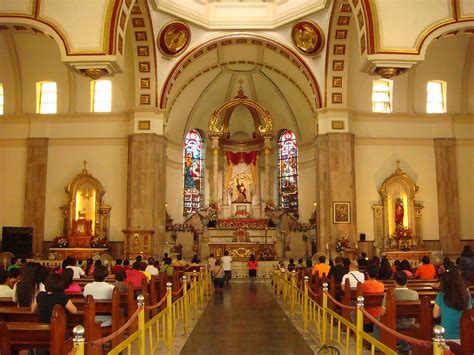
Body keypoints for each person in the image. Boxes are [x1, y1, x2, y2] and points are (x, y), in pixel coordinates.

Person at [381, 271, 419, 353]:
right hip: (409, 323)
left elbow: (383, 313)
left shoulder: (389, 294)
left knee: (378, 321)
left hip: (394, 323)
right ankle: (404, 346)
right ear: (407, 281)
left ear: (394, 282)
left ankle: (379, 345)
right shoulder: (414, 294)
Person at [433, 267, 472, 340]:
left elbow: (435, 315)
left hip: (447, 337)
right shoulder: (466, 295)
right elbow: (469, 313)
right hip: (465, 337)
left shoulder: (441, 295)